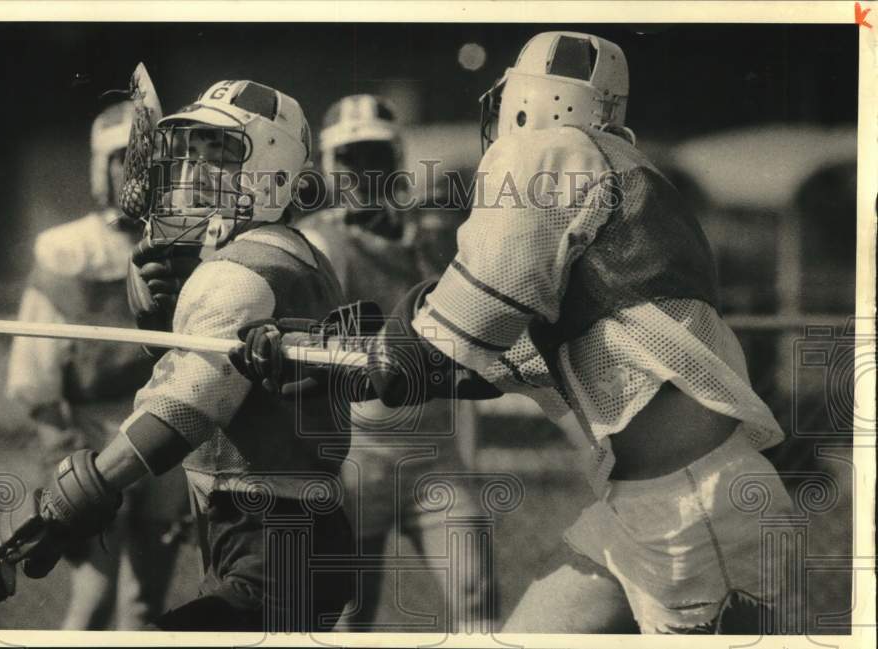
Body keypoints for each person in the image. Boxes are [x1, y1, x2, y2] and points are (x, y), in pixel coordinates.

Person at [231, 32, 797, 634]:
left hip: (688, 513)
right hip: (661, 505)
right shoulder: (625, 169)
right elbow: (478, 364)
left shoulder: (551, 153)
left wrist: (312, 355)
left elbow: (437, 349)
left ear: (533, 101)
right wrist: (339, 354)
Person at [0, 80, 354, 632]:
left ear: (276, 168)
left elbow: (185, 409)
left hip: (269, 544)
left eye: (219, 153)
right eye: (190, 152)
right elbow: (238, 385)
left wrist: (60, 503)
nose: (193, 171)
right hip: (292, 534)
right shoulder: (301, 252)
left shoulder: (238, 274)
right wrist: (163, 328)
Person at [296, 94, 496, 631]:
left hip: (434, 452)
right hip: (355, 457)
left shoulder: (431, 237)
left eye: (375, 156)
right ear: (328, 166)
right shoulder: (320, 241)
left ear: (396, 160)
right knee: (348, 620)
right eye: (350, 157)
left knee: (478, 597)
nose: (364, 171)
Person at [3, 100, 188, 629]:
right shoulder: (69, 249)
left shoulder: (181, 246)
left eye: (146, 161)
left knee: (146, 604)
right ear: (99, 166)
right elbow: (34, 372)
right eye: (121, 159)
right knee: (96, 594)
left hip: (164, 431)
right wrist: (61, 447)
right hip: (91, 435)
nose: (134, 173)